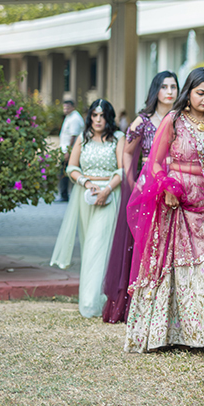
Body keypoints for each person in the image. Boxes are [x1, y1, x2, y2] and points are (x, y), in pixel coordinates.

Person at [124, 67, 204, 356]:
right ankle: (176, 332)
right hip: (179, 205)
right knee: (186, 274)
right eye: (200, 93)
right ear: (189, 92)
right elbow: (155, 163)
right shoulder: (174, 120)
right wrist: (166, 187)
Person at [102, 71, 178, 323]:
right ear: (155, 90)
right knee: (145, 242)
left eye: (174, 87)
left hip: (175, 184)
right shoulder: (142, 121)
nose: (169, 91)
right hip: (149, 183)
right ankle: (138, 304)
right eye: (164, 86)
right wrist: (131, 180)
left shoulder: (180, 119)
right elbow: (127, 151)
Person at [51, 99, 126, 317]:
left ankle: (93, 303)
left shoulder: (118, 138)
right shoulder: (82, 139)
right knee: (89, 247)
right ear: (89, 117)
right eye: (94, 115)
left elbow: (123, 169)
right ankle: (96, 298)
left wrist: (107, 189)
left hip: (111, 196)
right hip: (86, 196)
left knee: (99, 246)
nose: (98, 120)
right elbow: (71, 167)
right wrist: (87, 183)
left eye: (102, 116)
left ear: (108, 117)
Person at [57, 99, 85, 202]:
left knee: (67, 172)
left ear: (73, 107)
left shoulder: (75, 119)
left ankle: (67, 195)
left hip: (70, 151)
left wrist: (68, 152)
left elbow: (73, 136)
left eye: (68, 107)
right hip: (65, 150)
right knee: (64, 172)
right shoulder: (69, 117)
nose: (66, 109)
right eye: (64, 107)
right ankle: (65, 194)